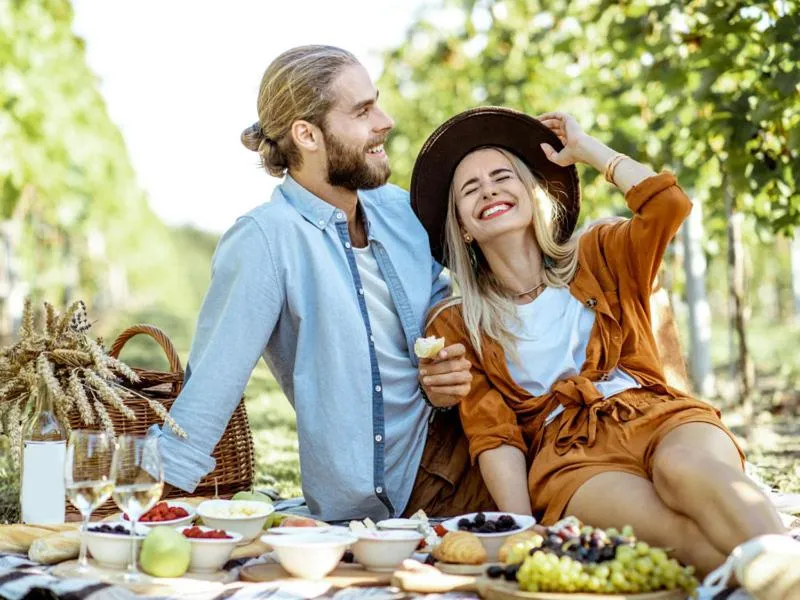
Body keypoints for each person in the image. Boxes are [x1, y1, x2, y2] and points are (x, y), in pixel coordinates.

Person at [410, 106, 787, 575]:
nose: (488, 189)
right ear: (463, 225)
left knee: (686, 470)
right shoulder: (456, 322)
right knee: (679, 537)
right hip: (572, 459)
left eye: (502, 176)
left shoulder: (600, 251)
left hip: (654, 414)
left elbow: (668, 206)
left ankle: (784, 566)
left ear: (533, 192)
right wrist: (523, 527)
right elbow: (495, 435)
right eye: (471, 188)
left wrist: (590, 151)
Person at [148, 46, 493, 521]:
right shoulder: (267, 240)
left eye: (378, 103)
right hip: (408, 485)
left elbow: (447, 315)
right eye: (362, 111)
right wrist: (138, 511)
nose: (386, 120)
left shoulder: (399, 210)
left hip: (476, 437)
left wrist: (450, 366)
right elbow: (211, 388)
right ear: (307, 135)